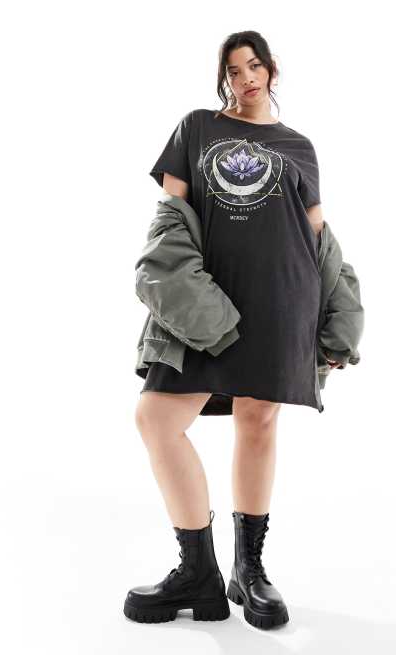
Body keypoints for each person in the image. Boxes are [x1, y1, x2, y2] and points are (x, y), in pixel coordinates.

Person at [123, 30, 341, 630]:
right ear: (224, 78)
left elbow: (319, 239)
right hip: (207, 299)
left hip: (282, 297)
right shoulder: (196, 127)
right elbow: (170, 221)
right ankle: (198, 572)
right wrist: (180, 293)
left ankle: (250, 570)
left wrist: (339, 314)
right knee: (157, 418)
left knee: (258, 420)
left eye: (254, 66)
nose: (245, 77)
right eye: (233, 69)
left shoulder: (298, 147)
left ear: (271, 70)